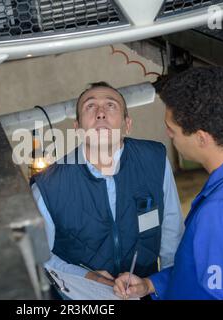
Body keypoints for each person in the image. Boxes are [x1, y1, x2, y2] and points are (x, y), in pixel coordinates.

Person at [114, 67, 223, 300]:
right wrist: (151, 284)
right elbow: (207, 275)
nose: (169, 135)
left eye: (172, 129)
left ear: (201, 138)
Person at [30, 81, 184, 296]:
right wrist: (86, 277)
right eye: (90, 106)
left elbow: (171, 232)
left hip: (144, 291)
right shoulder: (48, 185)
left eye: (111, 106)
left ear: (127, 124)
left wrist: (162, 286)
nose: (101, 113)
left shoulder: (154, 160)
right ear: (78, 128)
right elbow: (39, 256)